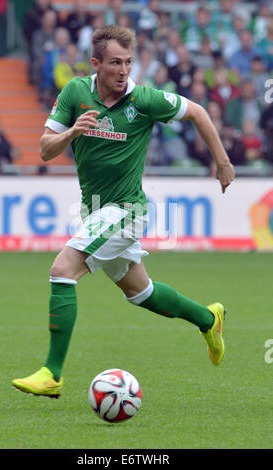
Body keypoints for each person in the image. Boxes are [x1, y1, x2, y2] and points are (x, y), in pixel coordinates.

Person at [12, 25, 235, 399]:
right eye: (115, 62)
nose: (123, 70)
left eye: (128, 62)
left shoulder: (143, 100)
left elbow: (197, 111)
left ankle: (52, 373)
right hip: (94, 210)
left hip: (127, 210)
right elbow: (45, 150)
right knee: (140, 292)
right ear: (95, 64)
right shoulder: (75, 93)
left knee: (62, 271)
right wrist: (72, 132)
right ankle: (208, 319)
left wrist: (223, 161)